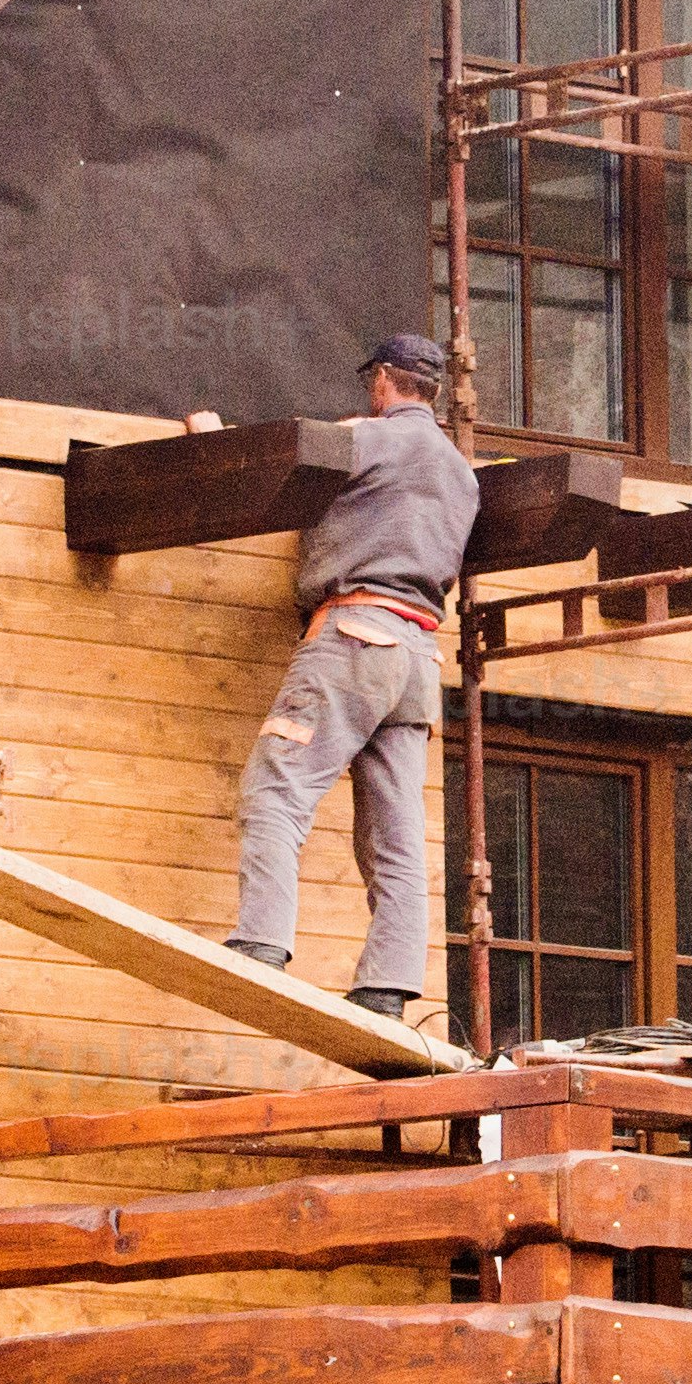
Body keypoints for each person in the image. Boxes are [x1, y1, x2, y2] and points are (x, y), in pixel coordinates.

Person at [231, 331, 476, 1021]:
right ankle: (387, 986)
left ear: (382, 383)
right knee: (396, 832)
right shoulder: (462, 473)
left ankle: (261, 942)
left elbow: (290, 464)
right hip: (419, 658)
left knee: (277, 790)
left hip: (353, 634)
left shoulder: (364, 437)